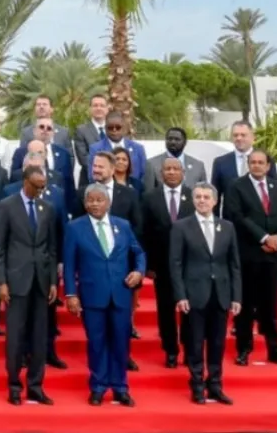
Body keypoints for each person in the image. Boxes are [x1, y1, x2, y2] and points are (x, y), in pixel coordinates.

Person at [63, 183, 145, 406]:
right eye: (91, 200)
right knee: (97, 342)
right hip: (91, 295)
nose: (95, 204)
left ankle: (120, 387)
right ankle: (98, 386)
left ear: (108, 202)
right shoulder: (74, 227)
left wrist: (138, 271)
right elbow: (69, 266)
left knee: (121, 342)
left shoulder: (123, 225)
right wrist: (71, 294)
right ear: (85, 203)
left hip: (120, 294)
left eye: (100, 200)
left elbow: (138, 253)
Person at [222, 148, 277, 367]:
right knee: (246, 304)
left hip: (273, 256)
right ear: (248, 164)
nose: (256, 165)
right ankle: (244, 349)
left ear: (268, 166)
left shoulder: (276, 186)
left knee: (271, 305)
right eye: (252, 162)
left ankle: (275, 350)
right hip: (249, 255)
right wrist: (264, 238)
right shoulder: (236, 186)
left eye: (260, 162)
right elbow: (236, 216)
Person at [0, 165, 59, 406]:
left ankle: (35, 385)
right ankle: (13, 385)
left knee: (40, 337)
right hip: (15, 281)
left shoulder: (47, 209)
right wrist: (1, 281)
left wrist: (53, 281)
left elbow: (52, 248)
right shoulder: (6, 206)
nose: (41, 190)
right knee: (16, 336)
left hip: (41, 281)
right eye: (37, 186)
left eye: (44, 186)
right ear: (25, 182)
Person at [169, 183, 240, 405]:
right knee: (196, 343)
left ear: (215, 201)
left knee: (218, 343)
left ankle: (216, 385)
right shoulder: (181, 227)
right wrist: (180, 295)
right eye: (198, 197)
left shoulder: (227, 227)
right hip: (194, 295)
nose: (202, 200)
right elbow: (175, 263)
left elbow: (234, 264)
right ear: (193, 200)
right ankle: (197, 384)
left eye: (206, 197)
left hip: (221, 293)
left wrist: (236, 296)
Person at [143, 157, 195, 368]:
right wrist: (149, 265)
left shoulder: (195, 196)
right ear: (160, 173)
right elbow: (144, 232)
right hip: (162, 265)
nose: (171, 172)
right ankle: (170, 349)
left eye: (175, 169)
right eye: (167, 169)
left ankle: (190, 349)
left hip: (191, 265)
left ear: (183, 172)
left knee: (190, 309)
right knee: (165, 309)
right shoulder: (149, 198)